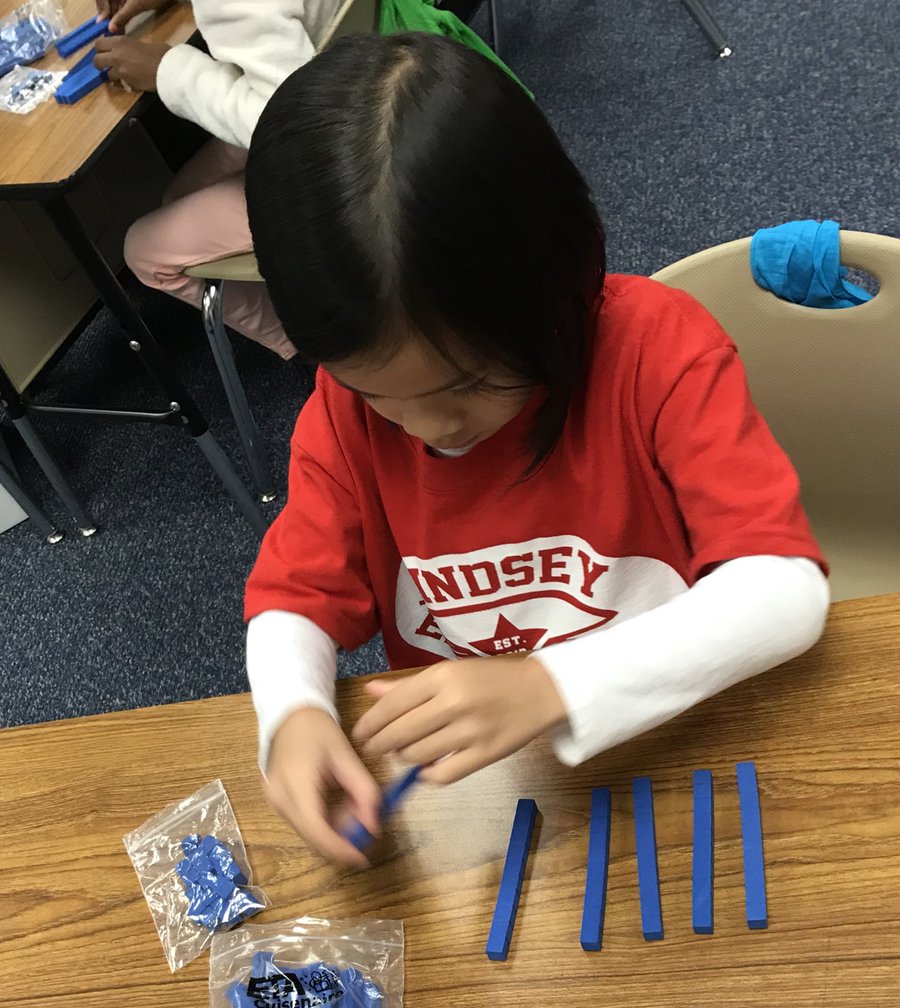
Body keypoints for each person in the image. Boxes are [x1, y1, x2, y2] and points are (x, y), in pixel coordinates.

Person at [242, 33, 830, 865]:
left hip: (680, 734)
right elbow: (290, 602)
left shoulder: (656, 352)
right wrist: (292, 712)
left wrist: (552, 684)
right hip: (501, 786)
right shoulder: (345, 417)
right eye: (379, 393)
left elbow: (786, 592)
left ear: (555, 282)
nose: (429, 428)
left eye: (470, 385)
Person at [93, 0, 344, 362]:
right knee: (181, 196)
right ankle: (319, 298)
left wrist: (168, 70)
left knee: (144, 250)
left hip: (335, 163)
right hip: (358, 85)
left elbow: (290, 125)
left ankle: (317, 351)